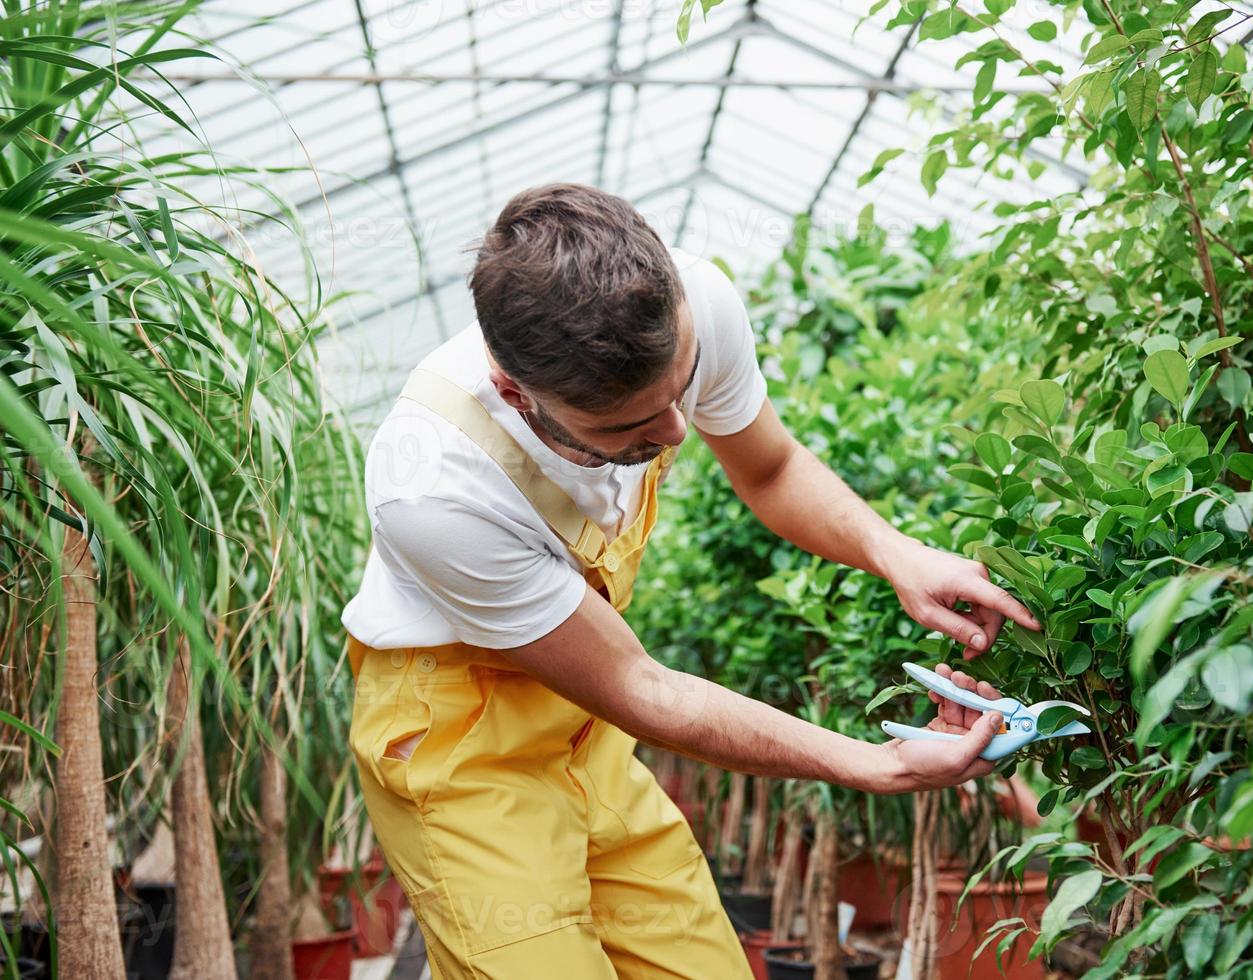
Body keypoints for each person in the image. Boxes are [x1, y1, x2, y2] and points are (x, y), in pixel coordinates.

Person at [340, 182, 1041, 979]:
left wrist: (895, 554)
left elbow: (770, 468)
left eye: (679, 389)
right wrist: (873, 764)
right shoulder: (432, 486)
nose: (676, 432)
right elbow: (646, 690)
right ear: (515, 394)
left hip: (583, 721)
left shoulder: (693, 301)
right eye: (627, 427)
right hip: (459, 741)